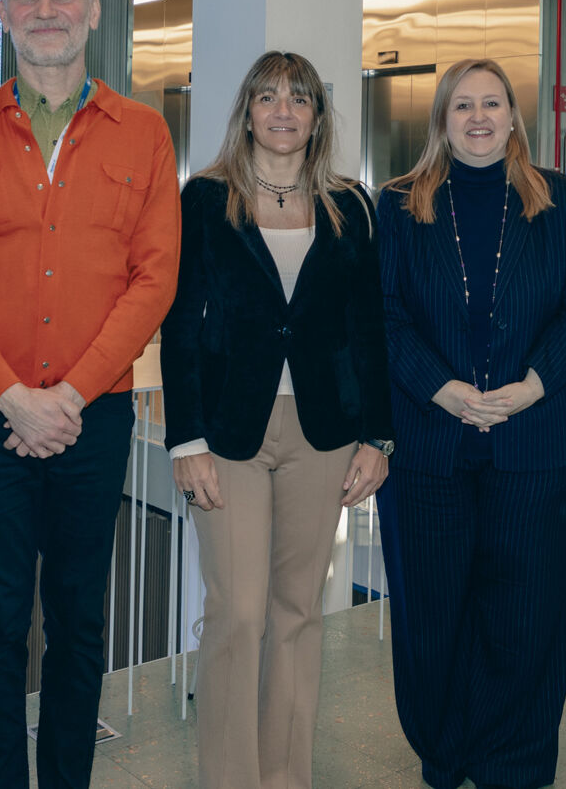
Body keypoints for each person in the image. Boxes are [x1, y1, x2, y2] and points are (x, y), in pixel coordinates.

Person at [0, 0, 181, 788]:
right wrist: (13, 396)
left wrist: (66, 394)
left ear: (94, 12)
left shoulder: (142, 134)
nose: (46, 12)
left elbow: (154, 277)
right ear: (2, 15)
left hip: (92, 415)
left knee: (78, 617)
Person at [160, 50, 392, 789]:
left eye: (298, 98)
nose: (283, 111)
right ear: (247, 112)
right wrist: (185, 440)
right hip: (229, 435)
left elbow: (369, 327)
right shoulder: (204, 198)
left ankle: (285, 776)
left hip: (324, 431)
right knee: (238, 612)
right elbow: (181, 327)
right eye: (267, 97)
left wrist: (378, 436)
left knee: (296, 612)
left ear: (319, 115)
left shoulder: (351, 205)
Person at [378, 58, 566, 789]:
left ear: (514, 116)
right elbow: (383, 315)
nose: (478, 118)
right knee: (434, 615)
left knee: (529, 616)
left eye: (493, 104)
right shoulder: (399, 204)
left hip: (538, 442)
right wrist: (440, 389)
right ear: (441, 120)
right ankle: (444, 756)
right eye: (462, 106)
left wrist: (534, 386)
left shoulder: (559, 199)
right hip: (429, 442)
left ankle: (514, 762)